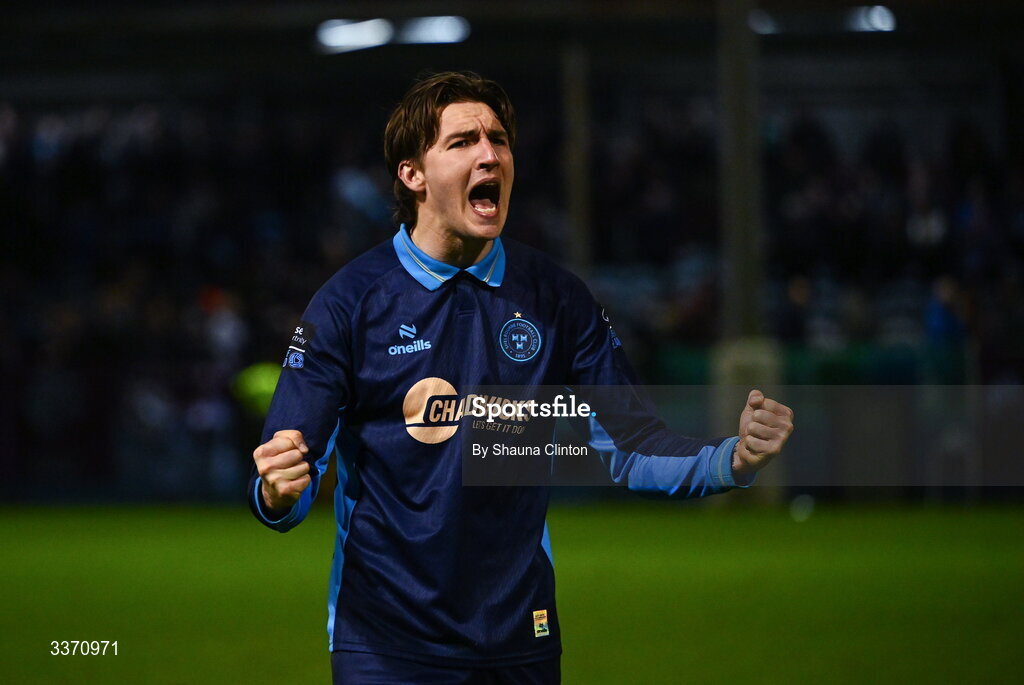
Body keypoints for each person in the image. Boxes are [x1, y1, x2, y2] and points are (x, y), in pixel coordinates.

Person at [248, 71, 794, 684]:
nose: (490, 154)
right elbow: (288, 470)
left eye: (499, 139)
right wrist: (278, 491)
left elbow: (636, 448)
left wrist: (733, 461)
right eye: (462, 142)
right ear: (413, 175)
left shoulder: (558, 298)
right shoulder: (348, 304)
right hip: (385, 645)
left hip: (519, 641)